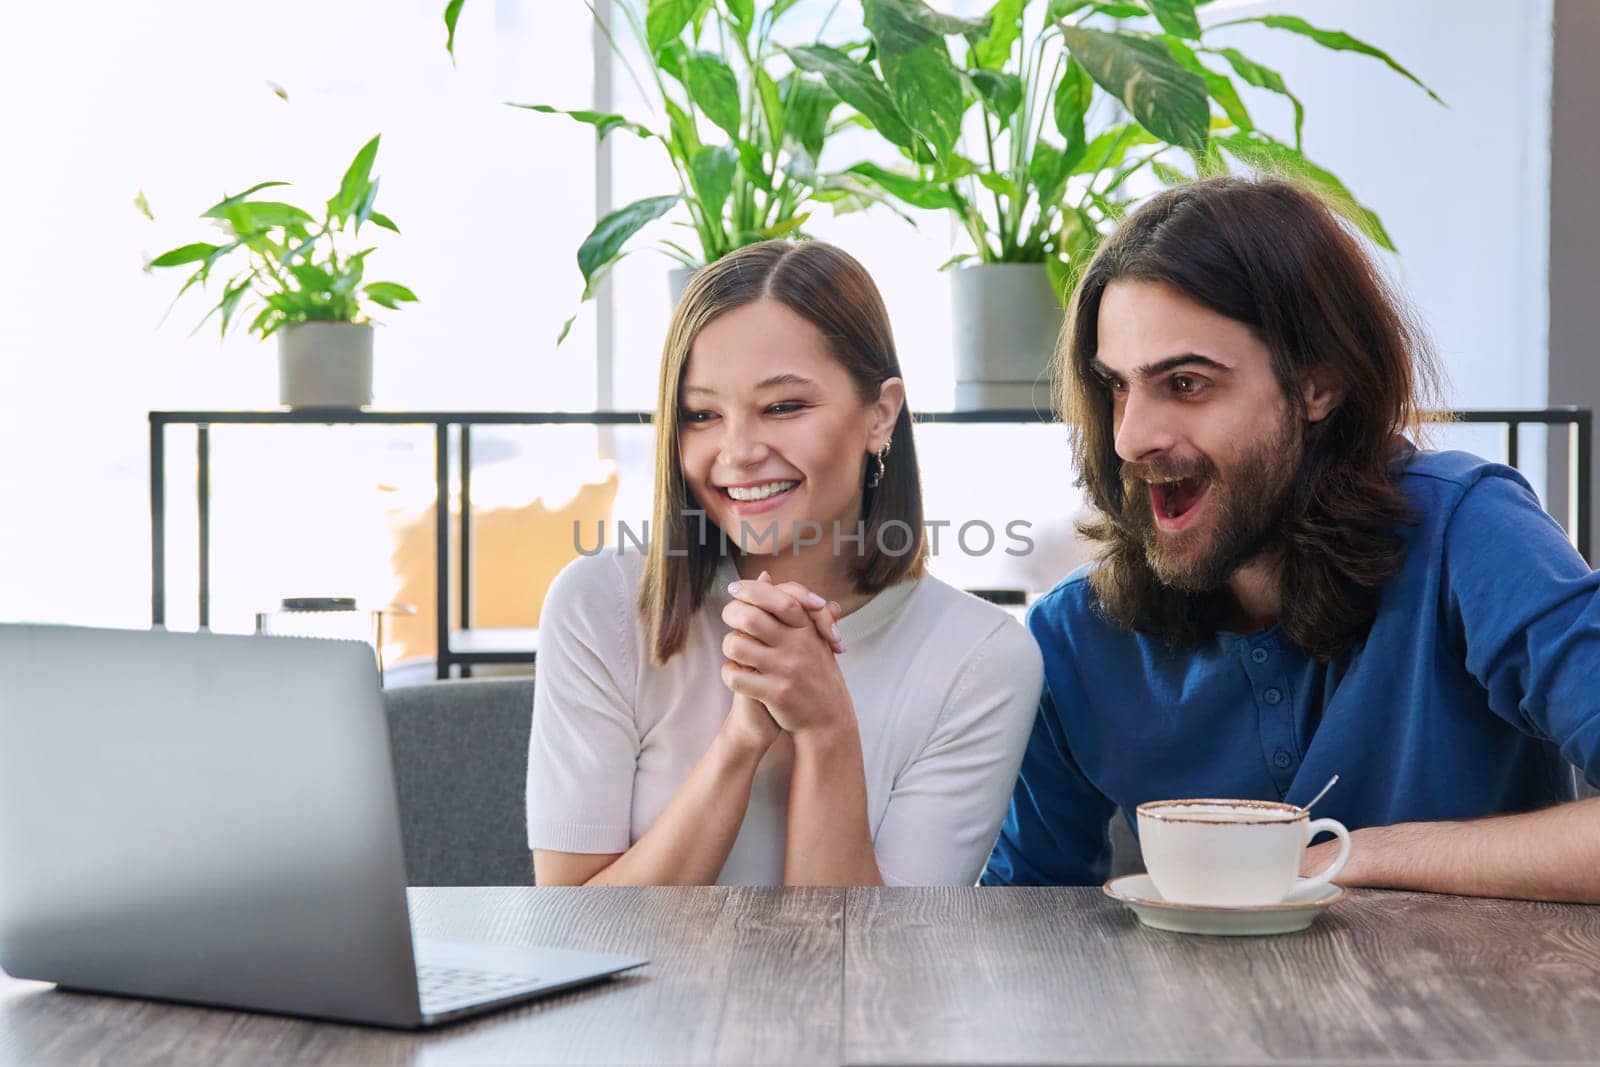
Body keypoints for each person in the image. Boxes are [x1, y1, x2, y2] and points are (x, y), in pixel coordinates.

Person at [983, 176, 1600, 903]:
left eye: (1185, 383)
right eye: (1116, 386)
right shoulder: (1076, 635)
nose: (1131, 437)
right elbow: (1019, 919)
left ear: (1318, 384)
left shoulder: (1471, 533)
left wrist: (1370, 855)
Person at [528, 239, 1043, 887]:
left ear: (880, 415)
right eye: (702, 414)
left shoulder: (983, 659)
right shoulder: (599, 605)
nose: (738, 451)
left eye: (783, 406)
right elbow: (571, 926)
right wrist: (741, 741)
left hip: (858, 993)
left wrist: (827, 727)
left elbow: (878, 967)